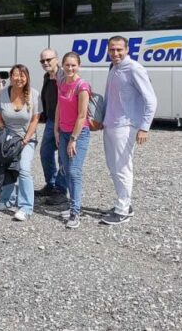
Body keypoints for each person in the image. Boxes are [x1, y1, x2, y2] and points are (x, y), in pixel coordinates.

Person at [99, 36, 157, 226]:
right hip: (110, 124)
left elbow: (151, 100)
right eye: (112, 50)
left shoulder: (134, 68)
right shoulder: (113, 68)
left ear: (127, 50)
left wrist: (144, 128)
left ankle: (123, 210)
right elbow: (109, 97)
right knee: (113, 167)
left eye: (119, 50)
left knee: (123, 168)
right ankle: (123, 204)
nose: (115, 53)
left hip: (125, 126)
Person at [0, 64, 41, 221]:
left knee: (24, 169)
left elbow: (35, 119)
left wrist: (25, 140)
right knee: (8, 167)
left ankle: (26, 207)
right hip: (8, 138)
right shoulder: (2, 94)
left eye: (22, 75)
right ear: (10, 76)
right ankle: (7, 199)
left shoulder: (34, 94)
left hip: (27, 138)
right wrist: (4, 136)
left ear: (27, 77)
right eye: (15, 75)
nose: (19, 78)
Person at [54, 52, 91, 229]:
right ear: (62, 66)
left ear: (79, 66)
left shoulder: (82, 86)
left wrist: (73, 139)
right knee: (66, 170)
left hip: (79, 134)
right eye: (67, 65)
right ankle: (72, 205)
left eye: (73, 65)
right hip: (63, 132)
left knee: (75, 171)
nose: (70, 68)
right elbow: (59, 107)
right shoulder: (62, 83)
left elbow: (82, 115)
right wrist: (56, 129)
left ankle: (76, 212)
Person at [37, 48, 67, 205]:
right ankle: (51, 184)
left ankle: (61, 191)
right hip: (50, 121)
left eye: (48, 60)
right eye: (42, 61)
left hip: (64, 122)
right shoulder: (47, 76)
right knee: (45, 153)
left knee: (63, 157)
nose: (45, 63)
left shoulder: (64, 76)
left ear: (57, 59)